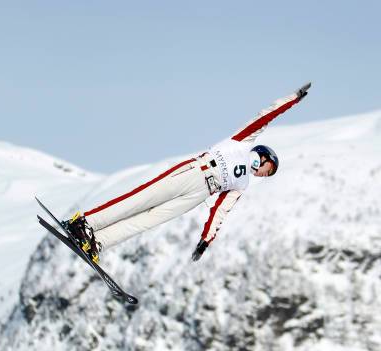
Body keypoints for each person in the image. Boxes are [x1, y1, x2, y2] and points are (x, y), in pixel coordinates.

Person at [64, 82, 311, 264]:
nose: (267, 175)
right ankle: (84, 223)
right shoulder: (243, 141)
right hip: (195, 171)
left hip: (199, 194)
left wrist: (206, 240)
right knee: (140, 199)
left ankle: (98, 242)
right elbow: (267, 115)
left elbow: (220, 212)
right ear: (265, 156)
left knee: (150, 219)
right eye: (270, 169)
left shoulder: (242, 183)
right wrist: (293, 99)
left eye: (269, 175)